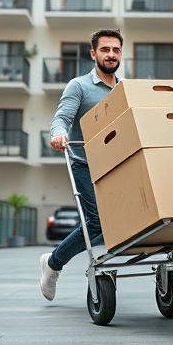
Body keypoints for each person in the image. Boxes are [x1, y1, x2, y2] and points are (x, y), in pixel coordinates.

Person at [40, 28, 123, 301]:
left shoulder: (125, 89)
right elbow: (61, 117)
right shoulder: (79, 86)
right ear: (93, 53)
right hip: (84, 164)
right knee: (96, 223)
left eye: (116, 50)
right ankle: (53, 263)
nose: (111, 55)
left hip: (120, 166)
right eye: (105, 49)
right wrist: (58, 134)